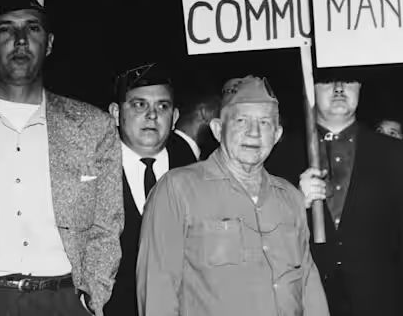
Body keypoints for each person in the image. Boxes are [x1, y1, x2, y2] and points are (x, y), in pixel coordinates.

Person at [0, 0, 122, 315]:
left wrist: (91, 298)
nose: (21, 40)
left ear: (49, 43)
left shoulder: (93, 128)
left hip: (64, 298)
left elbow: (106, 227)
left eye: (33, 28)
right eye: (6, 29)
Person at [136, 75, 328, 316]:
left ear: (277, 135)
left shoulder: (290, 197)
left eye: (265, 123)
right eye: (241, 121)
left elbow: (308, 283)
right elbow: (158, 291)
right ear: (218, 129)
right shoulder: (177, 190)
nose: (254, 134)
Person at [269, 68, 403, 316]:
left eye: (348, 80)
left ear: (360, 87)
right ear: (309, 88)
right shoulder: (278, 157)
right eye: (327, 81)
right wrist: (295, 202)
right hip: (306, 301)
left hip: (381, 302)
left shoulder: (400, 155)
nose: (339, 88)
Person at [103, 62, 196, 316]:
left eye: (162, 106)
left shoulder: (195, 171)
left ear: (174, 117)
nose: (152, 115)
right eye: (139, 104)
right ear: (114, 112)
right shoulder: (93, 169)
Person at [173, 81, 222, 160]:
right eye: (219, 114)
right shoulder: (179, 158)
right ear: (204, 112)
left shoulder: (176, 150)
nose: (221, 125)